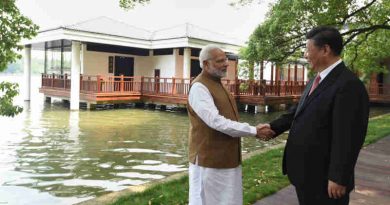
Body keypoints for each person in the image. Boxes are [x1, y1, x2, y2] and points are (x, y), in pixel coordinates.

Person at [259, 26, 369, 205]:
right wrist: (272, 127)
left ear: (325, 49)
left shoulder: (349, 85)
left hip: (326, 180)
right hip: (306, 174)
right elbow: (298, 111)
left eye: (308, 50)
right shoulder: (316, 79)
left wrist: (338, 177)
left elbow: (349, 137)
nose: (305, 55)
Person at [187, 44, 273, 205]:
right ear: (206, 64)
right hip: (210, 161)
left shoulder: (217, 82)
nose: (226, 63)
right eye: (220, 61)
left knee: (229, 200)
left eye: (226, 59)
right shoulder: (199, 87)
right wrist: (253, 130)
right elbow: (216, 121)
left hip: (227, 158)